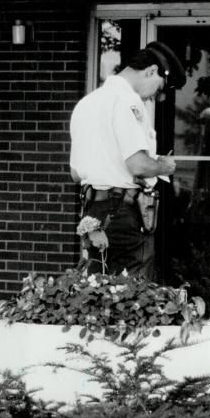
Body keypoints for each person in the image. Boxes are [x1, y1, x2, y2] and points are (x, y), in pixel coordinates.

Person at [69, 41, 185, 280]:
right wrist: (164, 165)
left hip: (92, 210)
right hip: (124, 211)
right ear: (152, 71)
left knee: (93, 289)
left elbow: (75, 173)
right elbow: (138, 165)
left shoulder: (86, 103)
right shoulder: (128, 101)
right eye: (160, 88)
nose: (158, 97)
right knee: (132, 296)